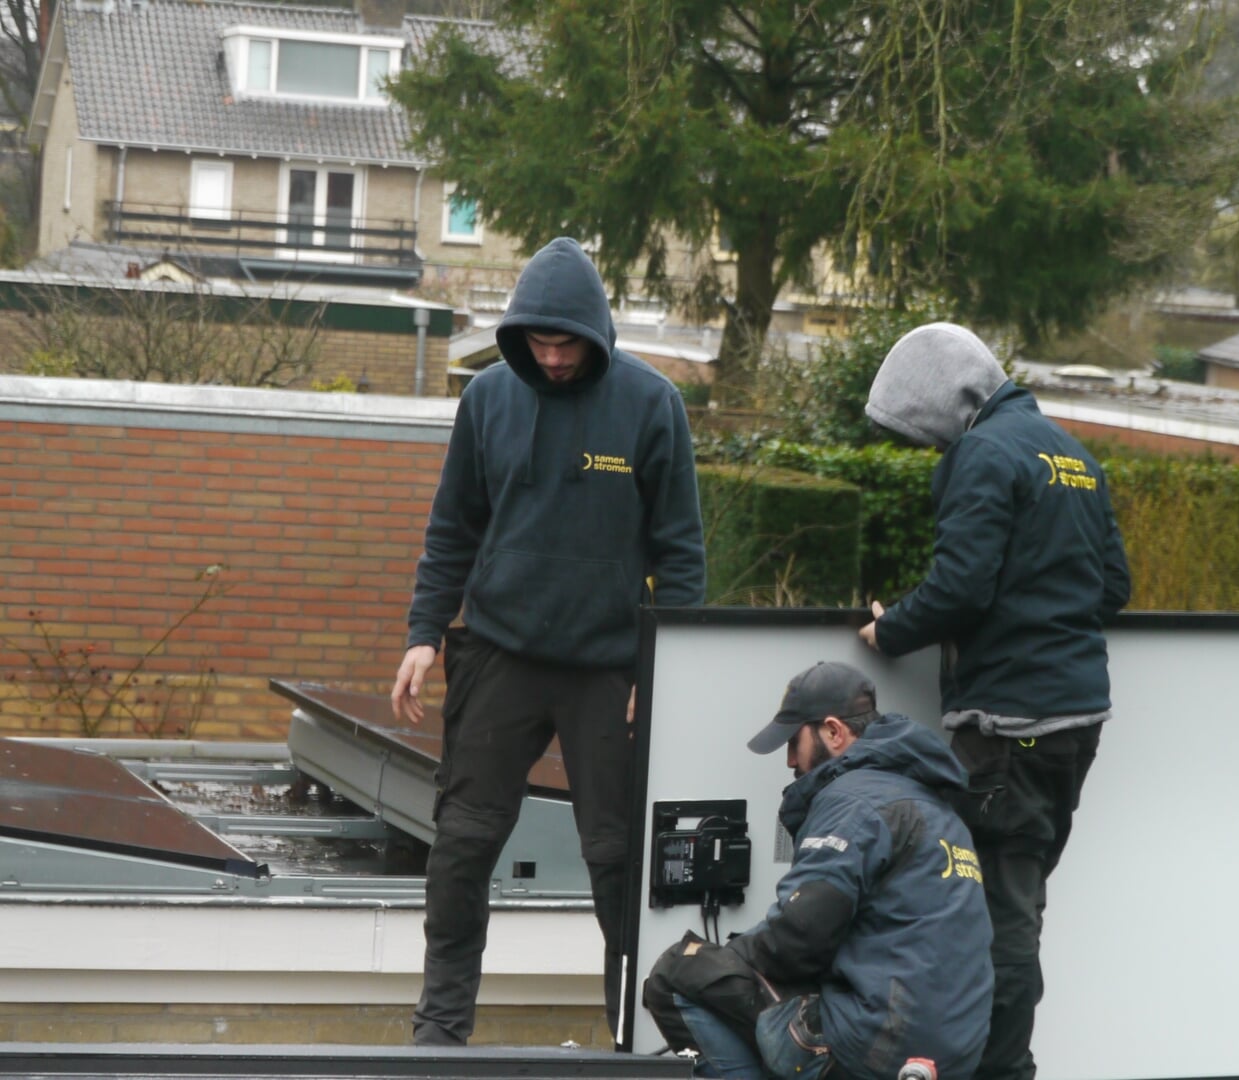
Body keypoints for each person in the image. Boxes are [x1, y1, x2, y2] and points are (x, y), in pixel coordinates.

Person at [390, 236, 706, 1047]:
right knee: (462, 846)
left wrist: (661, 665)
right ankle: (439, 1033)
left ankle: (635, 1031)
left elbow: (681, 552)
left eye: (568, 344)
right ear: (519, 334)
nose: (556, 358)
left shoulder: (650, 405)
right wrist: (425, 632)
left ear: (595, 335)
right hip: (499, 653)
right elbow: (452, 526)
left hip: (605, 666)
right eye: (541, 342)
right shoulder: (488, 400)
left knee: (614, 859)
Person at [856, 323, 1130, 1080]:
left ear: (949, 403)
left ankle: (1000, 1072)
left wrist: (890, 632)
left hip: (1008, 726)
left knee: (997, 918)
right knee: (1021, 897)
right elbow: (1112, 588)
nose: (931, 453)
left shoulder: (980, 454)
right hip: (1076, 721)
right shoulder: (1070, 454)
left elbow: (961, 586)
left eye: (925, 434)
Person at [642, 661, 992, 1080]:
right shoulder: (936, 807)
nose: (790, 759)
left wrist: (726, 958)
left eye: (794, 740)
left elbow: (800, 935)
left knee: (677, 972)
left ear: (833, 732)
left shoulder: (852, 800)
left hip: (875, 1047)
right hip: (952, 1054)